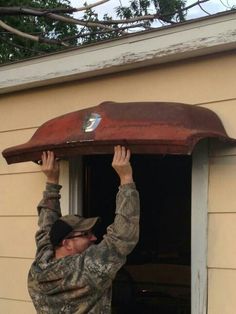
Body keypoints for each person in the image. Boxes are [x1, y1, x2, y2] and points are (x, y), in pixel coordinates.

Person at [28, 145, 140, 314]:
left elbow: (46, 228)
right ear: (67, 243)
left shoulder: (39, 268)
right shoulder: (85, 270)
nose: (94, 238)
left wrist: (52, 181)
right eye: (85, 234)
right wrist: (126, 178)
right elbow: (122, 237)